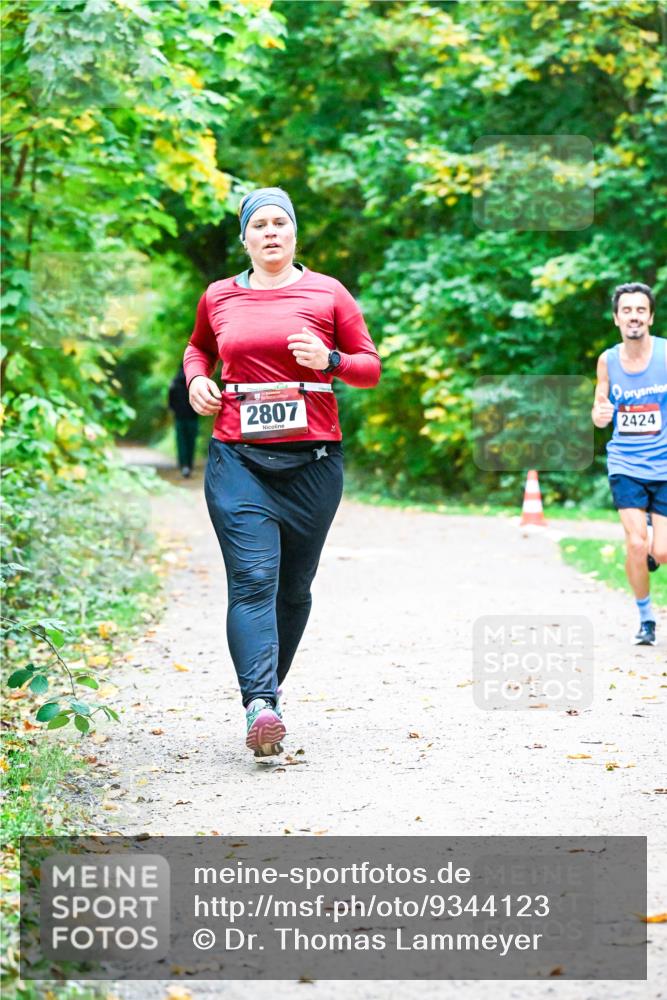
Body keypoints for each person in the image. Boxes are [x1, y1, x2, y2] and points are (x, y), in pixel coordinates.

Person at [183, 187, 381, 755]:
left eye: (280, 223)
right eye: (259, 225)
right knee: (253, 580)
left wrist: (332, 360)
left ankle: (267, 694)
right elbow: (197, 348)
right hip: (237, 458)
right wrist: (199, 379)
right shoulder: (219, 296)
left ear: (294, 234)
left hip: (313, 465)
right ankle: (259, 705)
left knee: (293, 590)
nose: (271, 232)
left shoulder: (328, 293)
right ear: (245, 238)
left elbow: (370, 368)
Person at [591, 282, 667, 646]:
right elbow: (599, 410)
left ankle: (653, 551)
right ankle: (646, 617)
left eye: (640, 310)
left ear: (650, 316)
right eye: (627, 310)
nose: (633, 316)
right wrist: (601, 414)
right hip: (626, 462)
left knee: (661, 551)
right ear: (616, 318)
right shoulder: (607, 360)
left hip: (665, 464)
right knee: (636, 543)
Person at [168, 365, 199, 477]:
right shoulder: (193, 382)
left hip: (179, 418)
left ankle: (183, 465)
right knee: (191, 442)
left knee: (181, 442)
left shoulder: (174, 383)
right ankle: (189, 465)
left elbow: (170, 404)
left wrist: (175, 411)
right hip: (192, 417)